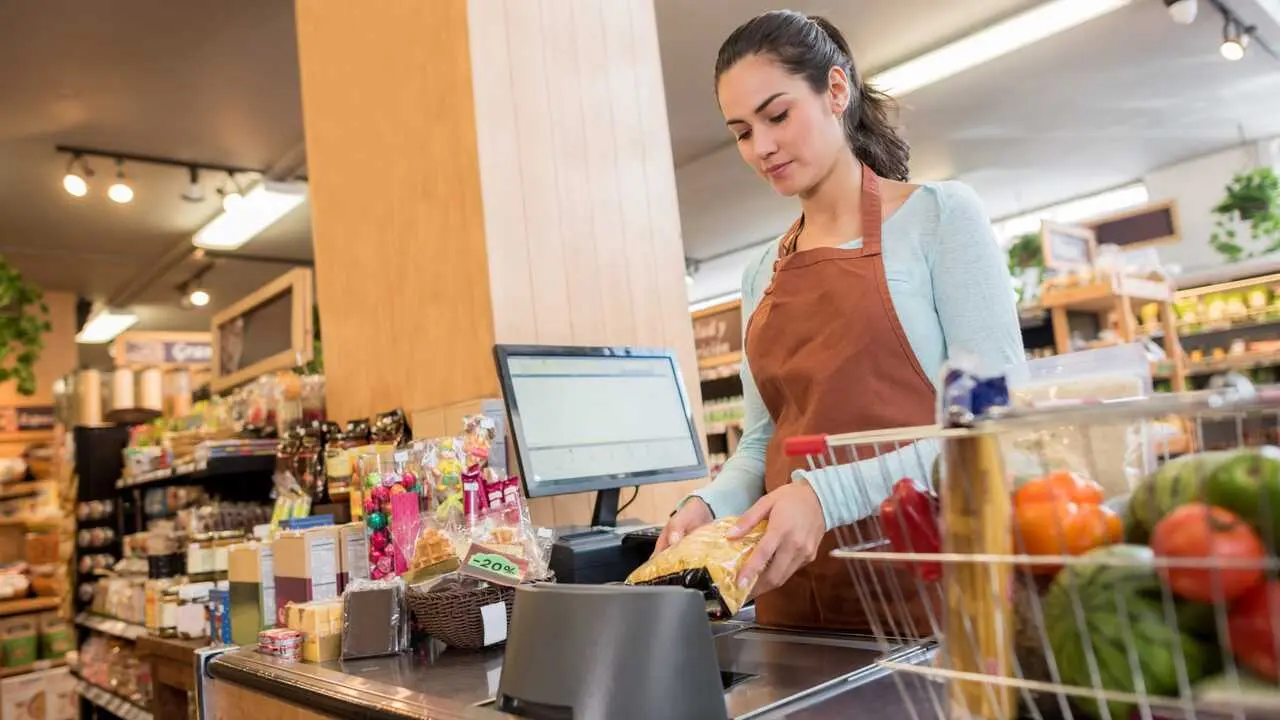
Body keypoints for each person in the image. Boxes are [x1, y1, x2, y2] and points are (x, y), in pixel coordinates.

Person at [654, 10, 1024, 631]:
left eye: (777, 116)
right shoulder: (760, 273)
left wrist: (827, 496)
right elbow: (759, 442)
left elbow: (991, 424)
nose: (761, 147)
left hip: (934, 592)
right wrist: (706, 504)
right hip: (795, 600)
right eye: (742, 132)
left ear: (835, 91)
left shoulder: (939, 218)